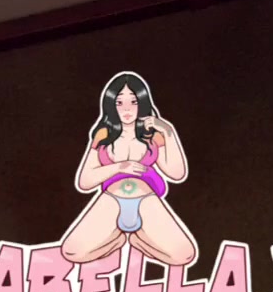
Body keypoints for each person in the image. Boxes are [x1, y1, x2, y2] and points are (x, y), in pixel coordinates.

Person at [61, 72, 196, 268]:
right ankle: (117, 240)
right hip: (111, 200)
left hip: (147, 200)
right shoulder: (104, 134)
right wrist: (119, 167)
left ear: (142, 102)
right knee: (71, 251)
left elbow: (177, 173)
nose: (127, 109)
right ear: (110, 105)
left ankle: (137, 240)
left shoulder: (152, 135)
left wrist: (169, 132)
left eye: (133, 102)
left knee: (184, 255)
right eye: (119, 102)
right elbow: (85, 181)